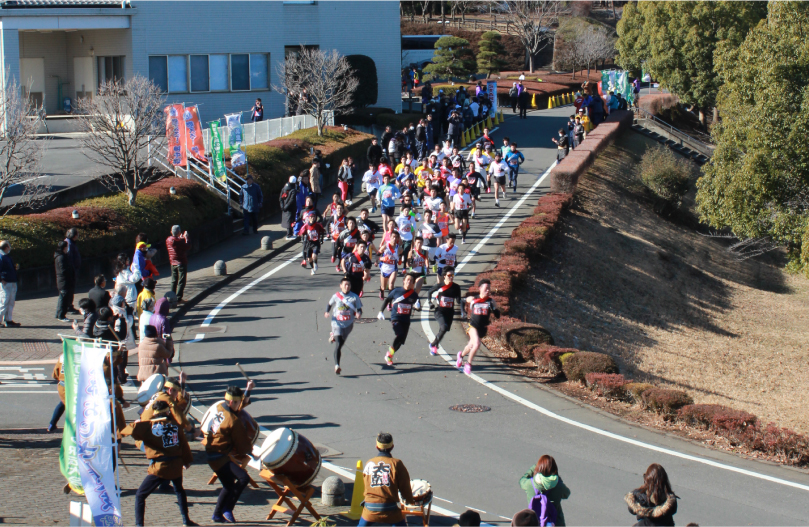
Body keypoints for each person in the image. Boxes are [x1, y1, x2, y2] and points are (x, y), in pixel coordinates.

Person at [129, 400, 197, 527]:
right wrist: (187, 460)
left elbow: (128, 431)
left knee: (140, 495)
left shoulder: (149, 426)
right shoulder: (176, 425)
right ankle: (186, 520)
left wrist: (135, 424)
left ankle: (139, 525)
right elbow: (183, 444)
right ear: (167, 412)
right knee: (179, 490)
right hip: (176, 465)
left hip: (159, 468)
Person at [203, 382, 255, 524]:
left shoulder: (220, 407)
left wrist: (248, 390)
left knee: (228, 485)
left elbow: (238, 407)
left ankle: (217, 515)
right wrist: (250, 452)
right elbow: (242, 444)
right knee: (243, 478)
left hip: (210, 454)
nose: (240, 406)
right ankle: (227, 508)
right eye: (238, 403)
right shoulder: (233, 421)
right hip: (219, 456)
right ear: (232, 402)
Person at [360, 432, 415, 526]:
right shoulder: (396, 463)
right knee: (398, 521)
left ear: (376, 447)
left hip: (369, 507)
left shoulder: (369, 463)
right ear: (392, 446)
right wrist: (410, 500)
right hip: (389, 508)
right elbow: (405, 486)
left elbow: (366, 484)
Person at [456, 278, 500, 375]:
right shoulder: (474, 299)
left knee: (470, 346)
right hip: (472, 326)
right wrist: (463, 313)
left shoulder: (490, 301)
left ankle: (461, 355)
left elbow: (498, 316)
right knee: (477, 344)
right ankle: (468, 364)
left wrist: (495, 309)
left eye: (489, 288)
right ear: (480, 288)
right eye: (486, 288)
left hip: (481, 328)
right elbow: (462, 302)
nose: (488, 290)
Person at [378, 273, 420, 366]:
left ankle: (390, 355)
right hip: (396, 318)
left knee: (401, 341)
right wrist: (381, 311)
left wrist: (417, 307)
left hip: (406, 320)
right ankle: (389, 355)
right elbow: (387, 300)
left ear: (413, 283)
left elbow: (418, 306)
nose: (409, 282)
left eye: (411, 281)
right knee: (400, 334)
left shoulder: (414, 295)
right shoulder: (396, 291)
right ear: (404, 281)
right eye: (408, 279)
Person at [519, 454, 571, 526]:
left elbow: (521, 481)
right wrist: (557, 478)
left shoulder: (529, 484)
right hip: (555, 523)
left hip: (535, 523)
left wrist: (534, 468)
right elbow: (567, 494)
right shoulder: (558, 486)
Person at [325, 277, 363, 375]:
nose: (347, 286)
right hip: (336, 323)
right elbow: (329, 304)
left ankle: (333, 335)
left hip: (348, 324)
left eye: (349, 285)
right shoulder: (336, 296)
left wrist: (359, 313)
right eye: (345, 285)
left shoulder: (354, 297)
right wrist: (326, 312)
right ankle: (337, 365)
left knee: (341, 343)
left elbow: (359, 309)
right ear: (341, 286)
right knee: (338, 344)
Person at [427, 266, 462, 356]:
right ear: (444, 276)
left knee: (444, 329)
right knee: (443, 327)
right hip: (439, 311)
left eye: (453, 275)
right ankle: (433, 344)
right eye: (449, 275)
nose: (451, 277)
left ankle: (435, 346)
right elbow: (429, 292)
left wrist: (463, 305)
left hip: (450, 312)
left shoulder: (456, 287)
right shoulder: (440, 286)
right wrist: (430, 302)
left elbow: (458, 300)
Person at [166, 225, 190, 303]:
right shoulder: (179, 241)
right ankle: (179, 298)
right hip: (181, 262)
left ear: (171, 232)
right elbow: (187, 246)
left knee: (174, 280)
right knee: (181, 281)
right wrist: (186, 237)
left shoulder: (168, 240)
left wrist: (181, 237)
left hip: (173, 262)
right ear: (179, 232)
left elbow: (177, 241)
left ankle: (172, 297)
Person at [54, 240, 75, 323]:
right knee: (64, 299)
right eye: (67, 247)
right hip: (64, 281)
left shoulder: (60, 256)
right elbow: (63, 270)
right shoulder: (61, 257)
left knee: (61, 298)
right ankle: (61, 315)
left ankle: (58, 314)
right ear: (64, 248)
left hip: (63, 280)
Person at [0, 240, 19, 327]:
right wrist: (1, 279)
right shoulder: (1, 256)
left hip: (11, 281)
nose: (10, 247)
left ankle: (9, 320)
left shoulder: (6, 256)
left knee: (11, 301)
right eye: (9, 246)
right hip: (6, 282)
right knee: (4, 302)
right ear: (6, 247)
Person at [378, 229, 400, 301]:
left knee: (391, 285)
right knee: (383, 287)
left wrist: (401, 260)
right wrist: (382, 258)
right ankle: (381, 290)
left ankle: (389, 302)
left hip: (393, 268)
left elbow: (402, 257)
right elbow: (377, 256)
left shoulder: (399, 248)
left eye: (396, 237)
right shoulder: (385, 246)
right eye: (393, 237)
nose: (394, 238)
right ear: (390, 237)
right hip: (384, 267)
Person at [47, 354, 67, 432]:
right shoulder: (83, 355)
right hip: (73, 386)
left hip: (62, 386)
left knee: (63, 403)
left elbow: (55, 374)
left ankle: (52, 424)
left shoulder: (62, 356)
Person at [64, 227, 81, 314]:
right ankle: (68, 306)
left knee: (71, 289)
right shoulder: (69, 244)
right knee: (70, 289)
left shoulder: (71, 243)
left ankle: (69, 305)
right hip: (71, 271)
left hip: (73, 270)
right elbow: (70, 258)